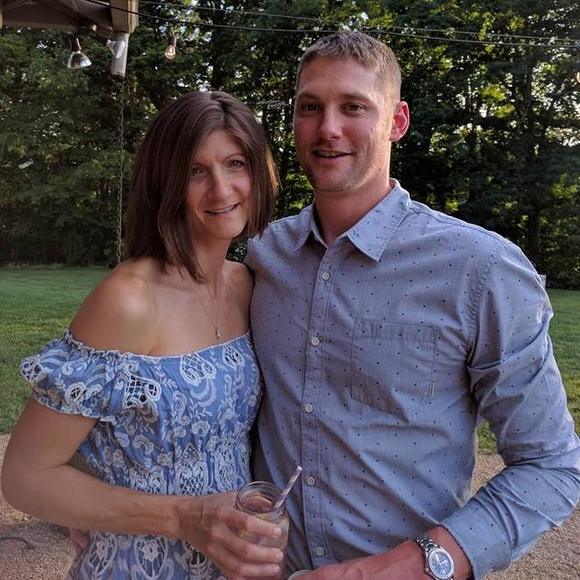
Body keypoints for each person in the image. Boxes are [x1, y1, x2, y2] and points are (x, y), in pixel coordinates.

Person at [246, 31, 580, 579]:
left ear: (397, 122)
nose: (328, 128)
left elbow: (551, 465)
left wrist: (398, 568)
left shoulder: (480, 269)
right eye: (310, 107)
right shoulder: (265, 254)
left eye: (353, 107)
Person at [1, 91, 284, 579]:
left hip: (226, 564)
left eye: (235, 163)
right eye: (196, 171)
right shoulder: (127, 300)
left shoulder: (245, 285)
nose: (221, 188)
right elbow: (25, 477)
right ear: (165, 184)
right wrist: (183, 518)